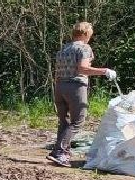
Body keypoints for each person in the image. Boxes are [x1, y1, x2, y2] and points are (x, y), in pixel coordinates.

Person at [49, 21, 117, 166]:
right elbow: (83, 69)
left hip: (60, 86)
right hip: (75, 87)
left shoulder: (63, 49)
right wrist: (104, 71)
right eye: (90, 35)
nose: (90, 39)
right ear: (86, 34)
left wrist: (58, 87)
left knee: (64, 122)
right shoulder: (84, 48)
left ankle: (62, 154)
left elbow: (56, 72)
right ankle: (59, 152)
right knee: (77, 122)